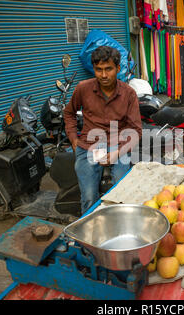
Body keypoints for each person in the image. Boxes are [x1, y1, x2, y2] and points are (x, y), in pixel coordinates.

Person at [63, 46, 142, 214]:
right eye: (99, 70)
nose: (104, 75)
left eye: (108, 69)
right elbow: (68, 113)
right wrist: (73, 139)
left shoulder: (129, 94)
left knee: (122, 194)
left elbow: (136, 130)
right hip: (89, 146)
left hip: (118, 146)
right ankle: (89, 230)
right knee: (89, 197)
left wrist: (117, 153)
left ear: (118, 68)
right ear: (94, 69)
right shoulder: (83, 89)